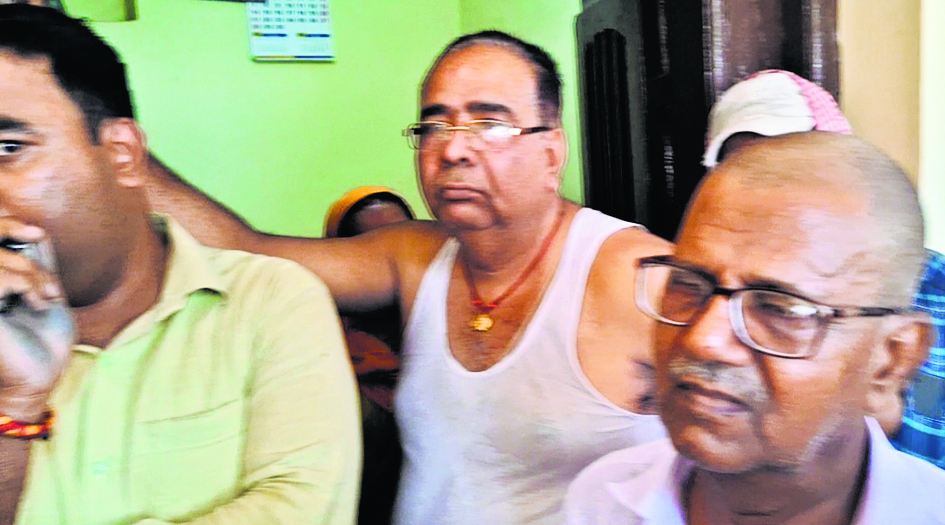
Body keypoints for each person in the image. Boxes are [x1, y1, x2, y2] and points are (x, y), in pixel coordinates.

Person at [144, 30, 671, 524]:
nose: (453, 150)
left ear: (552, 153)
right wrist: (121, 156)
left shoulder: (634, 275)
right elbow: (248, 252)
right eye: (434, 127)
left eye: (489, 125)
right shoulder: (415, 257)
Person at [0, 5, 360, 525]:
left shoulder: (269, 301)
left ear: (122, 153)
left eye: (9, 147)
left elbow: (305, 509)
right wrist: (15, 405)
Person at [565, 132, 945, 525]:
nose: (702, 340)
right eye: (688, 284)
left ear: (891, 360)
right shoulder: (604, 501)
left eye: (779, 308)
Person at [703, 69, 945, 462]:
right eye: (747, 176)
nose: (772, 199)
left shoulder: (934, 286)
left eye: (796, 172)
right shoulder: (705, 295)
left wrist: (884, 413)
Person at [324, 187, 414, 525]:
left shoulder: (448, 326)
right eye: (374, 249)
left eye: (403, 244)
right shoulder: (322, 345)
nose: (393, 261)